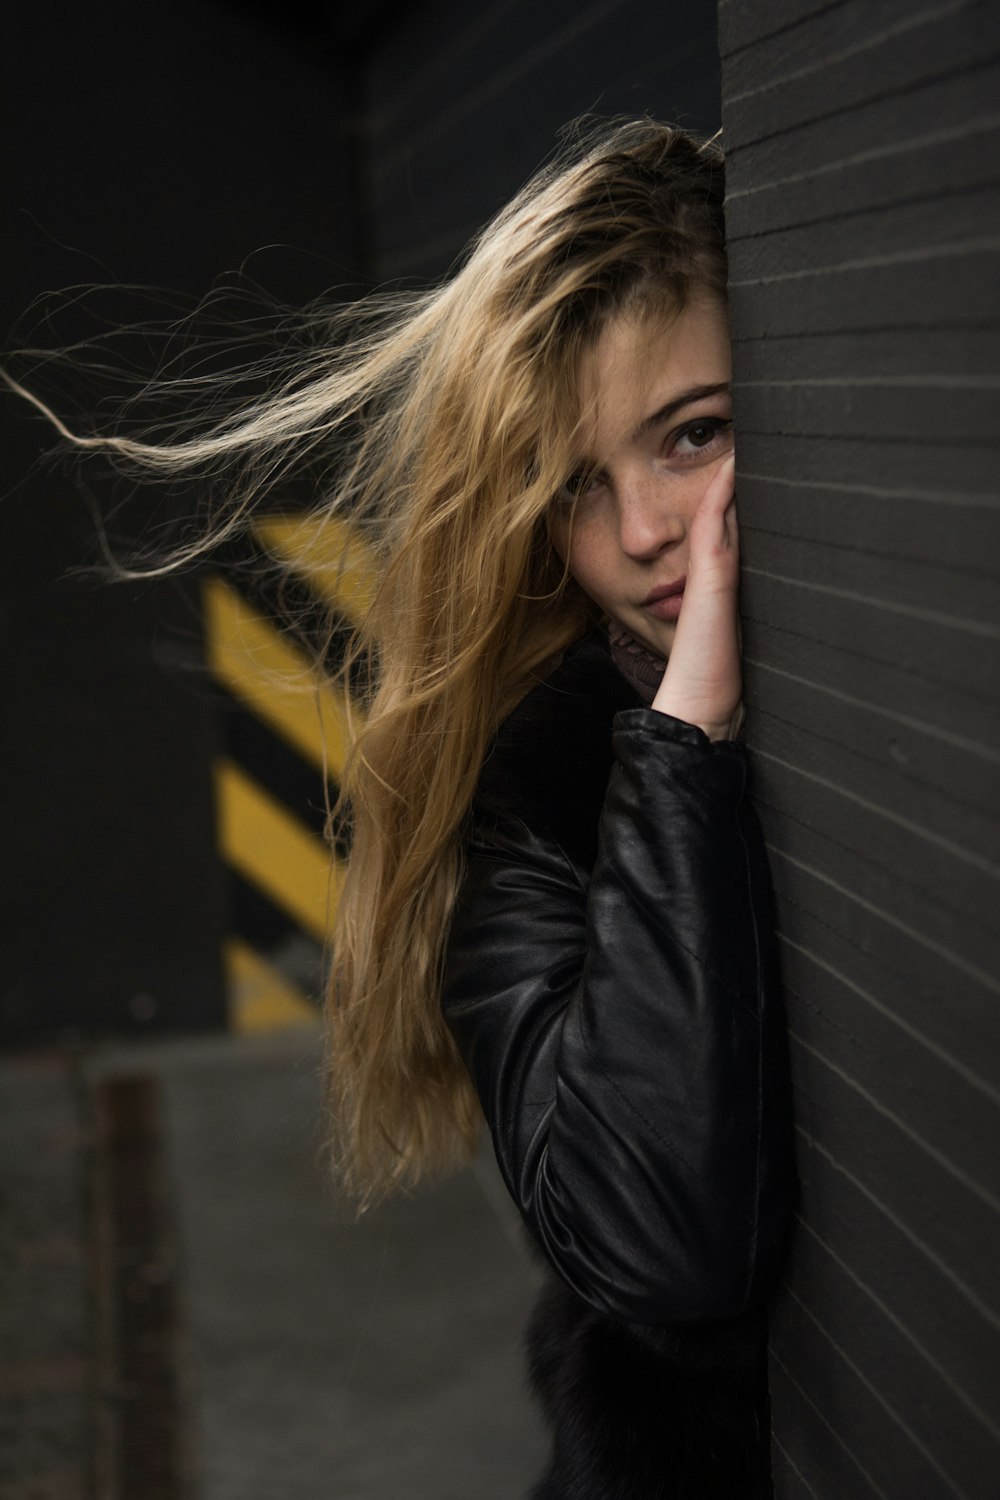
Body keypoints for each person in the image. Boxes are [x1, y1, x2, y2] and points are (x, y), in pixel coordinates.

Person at [9, 117, 795, 1497]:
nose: (642, 533)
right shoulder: (524, 803)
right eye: (576, 488)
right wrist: (684, 750)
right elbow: (661, 1248)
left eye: (693, 434)